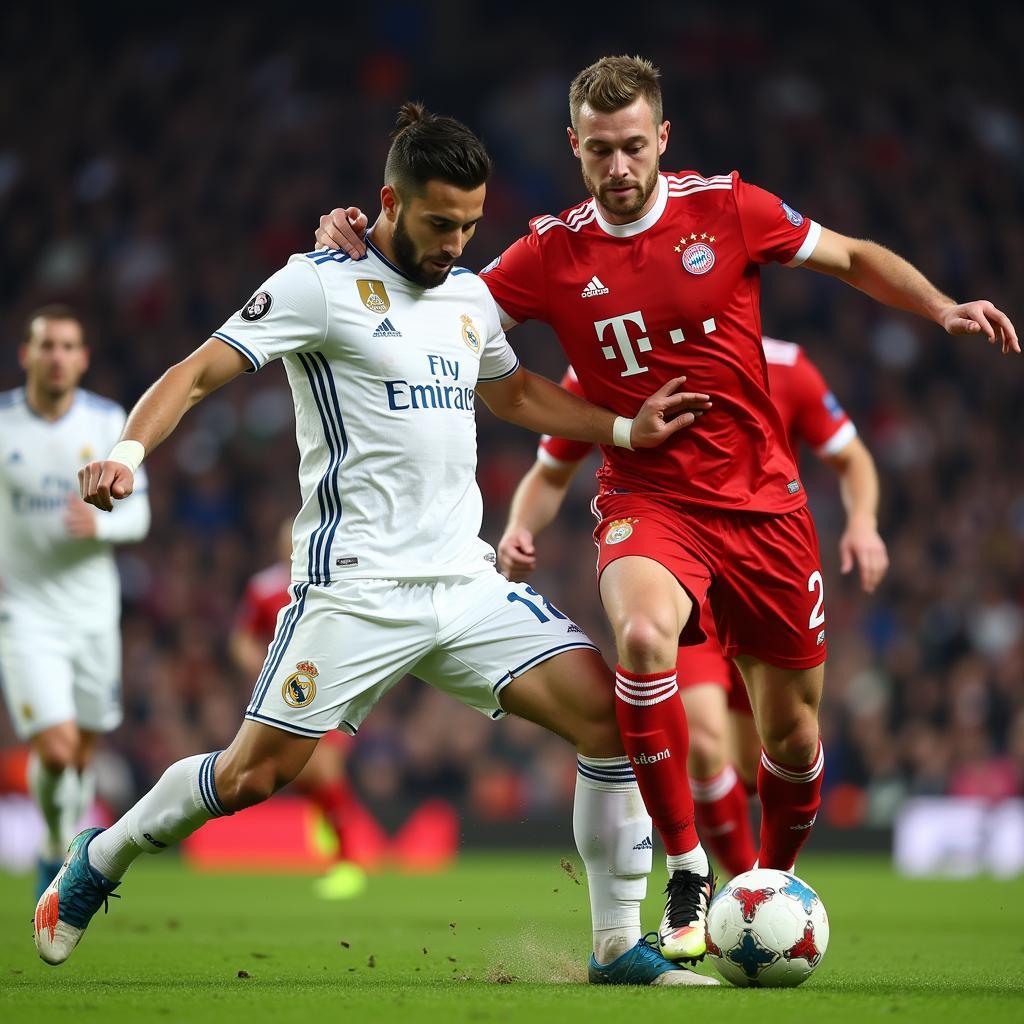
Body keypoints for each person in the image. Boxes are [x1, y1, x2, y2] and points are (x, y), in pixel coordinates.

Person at [314, 54, 1017, 961]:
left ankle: (765, 889)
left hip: (765, 508)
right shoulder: (548, 253)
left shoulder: (729, 208)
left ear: (662, 141)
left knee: (795, 743)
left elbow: (849, 257)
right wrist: (367, 240)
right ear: (573, 146)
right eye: (598, 150)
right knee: (643, 643)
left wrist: (941, 306)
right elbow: (437, 298)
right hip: (648, 497)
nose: (617, 168)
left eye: (633, 147)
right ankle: (684, 867)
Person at [34, 104, 719, 988]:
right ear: (389, 201)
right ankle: (102, 857)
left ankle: (617, 946)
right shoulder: (319, 284)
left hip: (464, 583)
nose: (456, 245)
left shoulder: (470, 298)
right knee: (250, 778)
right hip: (355, 588)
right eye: (440, 224)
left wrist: (623, 428)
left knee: (611, 720)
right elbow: (199, 370)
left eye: (471, 226)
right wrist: (127, 452)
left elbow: (514, 398)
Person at [496, 337, 890, 877]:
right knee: (704, 746)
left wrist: (864, 523)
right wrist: (520, 525)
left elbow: (851, 457)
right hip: (683, 582)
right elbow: (550, 471)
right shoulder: (607, 355)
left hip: (764, 566)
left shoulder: (787, 367)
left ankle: (767, 876)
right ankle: (738, 888)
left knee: (771, 754)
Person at [0, 305, 151, 899]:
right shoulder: (5, 425)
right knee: (58, 751)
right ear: (27, 355)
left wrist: (103, 529)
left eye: (68, 346)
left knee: (84, 747)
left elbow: (139, 512)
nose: (57, 356)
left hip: (92, 613)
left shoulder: (108, 419)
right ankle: (58, 841)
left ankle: (52, 844)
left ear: (82, 358)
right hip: (26, 612)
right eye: (47, 346)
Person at [229, 518, 369, 898]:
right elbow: (243, 639)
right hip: (287, 694)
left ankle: (348, 863)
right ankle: (334, 836)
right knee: (306, 775)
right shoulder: (265, 588)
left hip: (333, 689)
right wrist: (262, 666)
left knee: (324, 769)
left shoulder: (334, 582)